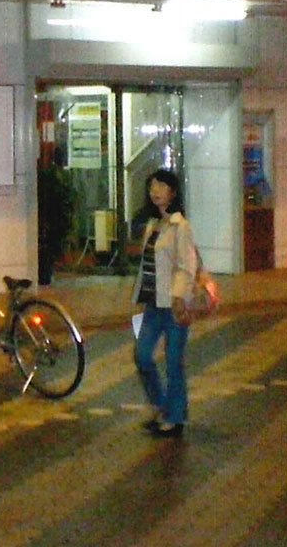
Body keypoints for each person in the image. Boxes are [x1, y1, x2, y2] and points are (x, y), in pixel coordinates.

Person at [130, 169, 197, 438]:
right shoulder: (153, 225)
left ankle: (175, 416)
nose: (155, 191)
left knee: (173, 362)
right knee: (142, 355)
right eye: (152, 187)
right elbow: (146, 267)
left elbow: (187, 266)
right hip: (153, 304)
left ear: (173, 192)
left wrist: (180, 297)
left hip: (174, 304)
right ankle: (159, 403)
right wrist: (138, 296)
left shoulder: (181, 226)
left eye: (161, 186)